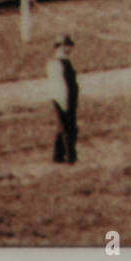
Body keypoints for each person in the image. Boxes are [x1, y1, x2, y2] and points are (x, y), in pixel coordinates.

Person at [46, 34, 79, 164]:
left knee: (63, 127)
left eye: (69, 46)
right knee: (69, 129)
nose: (68, 49)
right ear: (58, 47)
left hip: (68, 99)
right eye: (65, 46)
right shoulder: (56, 63)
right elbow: (59, 85)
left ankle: (58, 156)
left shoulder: (65, 61)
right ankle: (71, 157)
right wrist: (64, 102)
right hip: (62, 98)